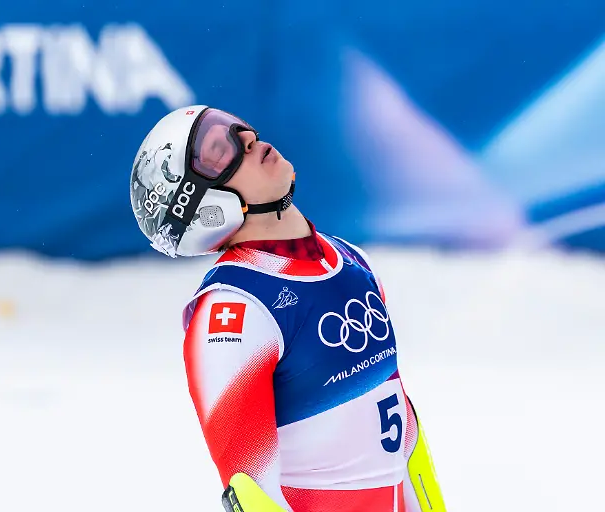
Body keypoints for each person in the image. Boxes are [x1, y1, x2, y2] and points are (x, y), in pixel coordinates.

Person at [129, 105, 447, 512]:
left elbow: (404, 434)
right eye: (218, 151)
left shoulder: (351, 260)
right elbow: (252, 491)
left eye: (235, 128)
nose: (246, 138)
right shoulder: (233, 310)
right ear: (206, 205)